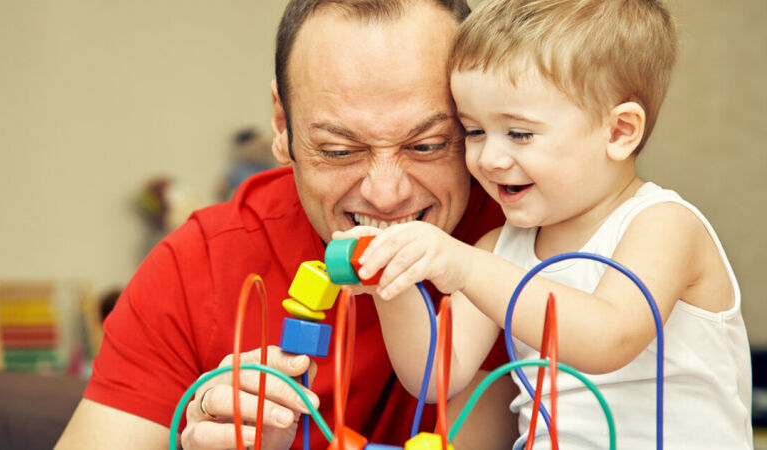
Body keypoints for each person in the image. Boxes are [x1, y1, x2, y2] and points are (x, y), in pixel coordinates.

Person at [56, 1, 519, 449]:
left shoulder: (530, 239)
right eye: (340, 151)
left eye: (429, 145)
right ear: (282, 125)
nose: (386, 193)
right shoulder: (198, 264)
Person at [338, 0, 753, 448]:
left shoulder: (664, 225)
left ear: (618, 132)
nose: (489, 158)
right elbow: (434, 374)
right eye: (474, 131)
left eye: (519, 133)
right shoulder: (500, 247)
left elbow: (607, 339)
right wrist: (391, 279)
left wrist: (467, 268)